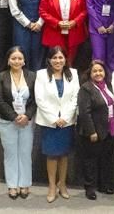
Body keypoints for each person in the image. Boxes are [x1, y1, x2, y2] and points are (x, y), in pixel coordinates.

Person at [35, 45, 79, 202]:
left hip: (66, 122)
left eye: (61, 57)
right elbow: (40, 99)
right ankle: (52, 186)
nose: (58, 60)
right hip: (49, 122)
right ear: (49, 60)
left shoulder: (73, 74)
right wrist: (54, 118)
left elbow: (75, 98)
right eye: (55, 58)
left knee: (64, 155)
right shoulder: (41, 75)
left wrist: (65, 117)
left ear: (65, 59)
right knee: (52, 155)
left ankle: (63, 185)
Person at [0, 45, 37, 199]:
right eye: (13, 58)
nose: (16, 61)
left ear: (24, 61)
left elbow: (35, 100)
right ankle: (12, 185)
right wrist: (14, 116)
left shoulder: (32, 76)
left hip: (27, 121)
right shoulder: (1, 77)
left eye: (19, 58)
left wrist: (27, 115)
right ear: (8, 60)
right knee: (10, 154)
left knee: (25, 153)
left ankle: (25, 184)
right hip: (7, 121)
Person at [8, 0, 47, 70]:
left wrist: (39, 23)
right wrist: (29, 24)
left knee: (38, 55)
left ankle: (37, 84)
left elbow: (46, 6)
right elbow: (14, 10)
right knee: (21, 55)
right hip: (21, 27)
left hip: (39, 26)